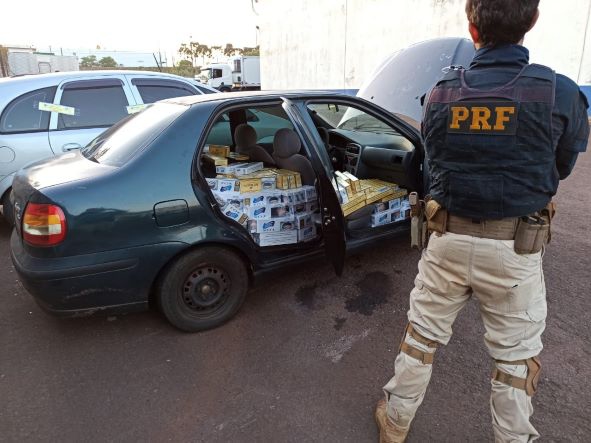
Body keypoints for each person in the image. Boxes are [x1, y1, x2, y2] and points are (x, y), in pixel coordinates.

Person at [375, 1, 589, 442]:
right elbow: (561, 166)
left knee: (421, 337)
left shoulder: (438, 93)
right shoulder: (560, 93)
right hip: (515, 251)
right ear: (531, 21)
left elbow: (431, 165)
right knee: (514, 360)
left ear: (472, 29)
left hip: (446, 241)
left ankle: (394, 423)